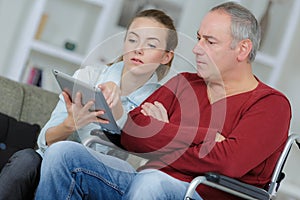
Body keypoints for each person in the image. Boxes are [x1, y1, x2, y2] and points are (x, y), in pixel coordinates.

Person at [34, 2, 291, 200]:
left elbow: (228, 163)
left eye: (209, 41)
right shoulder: (186, 83)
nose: (196, 48)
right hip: (143, 182)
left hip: (195, 192)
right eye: (198, 37)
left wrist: (161, 135)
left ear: (242, 49)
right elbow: (131, 131)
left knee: (153, 181)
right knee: (63, 153)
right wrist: (206, 135)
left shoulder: (271, 105)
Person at [0, 9, 178, 200]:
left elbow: (148, 174)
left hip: (102, 184)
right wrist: (70, 123)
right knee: (27, 159)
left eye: (151, 44)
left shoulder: (160, 104)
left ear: (166, 56)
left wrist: (127, 119)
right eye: (133, 40)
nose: (138, 49)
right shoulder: (88, 77)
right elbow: (46, 141)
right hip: (53, 168)